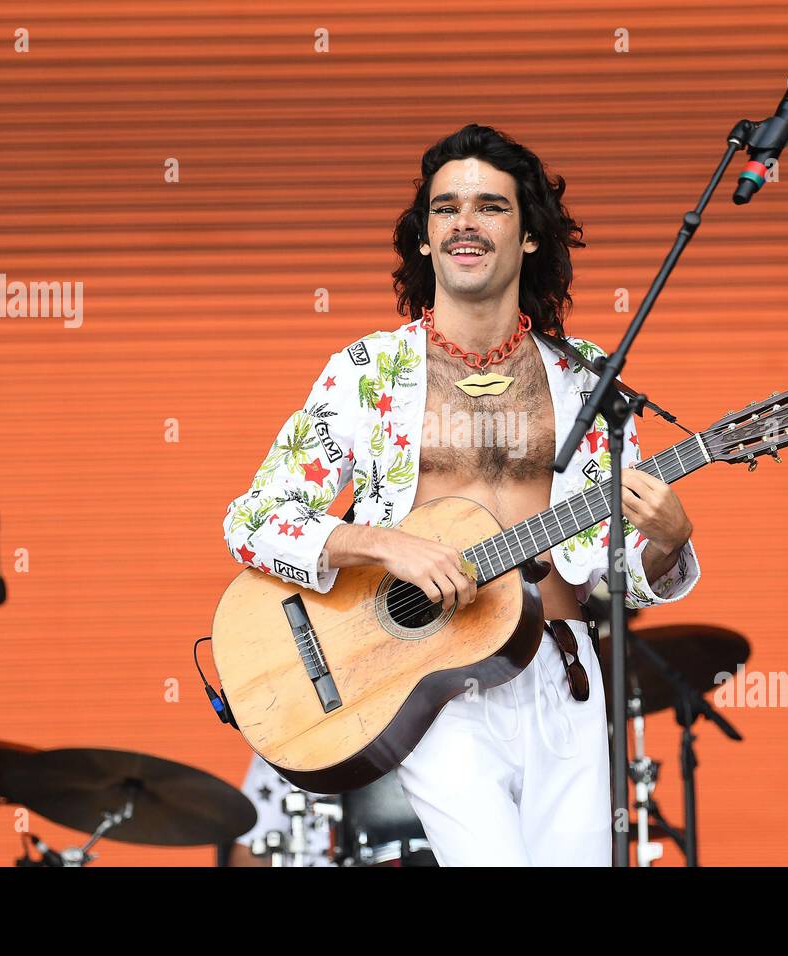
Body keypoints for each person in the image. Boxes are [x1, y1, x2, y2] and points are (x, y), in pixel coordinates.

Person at [223, 123, 701, 866]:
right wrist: (384, 543)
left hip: (563, 673)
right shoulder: (367, 372)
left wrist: (666, 540)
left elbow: (615, 570)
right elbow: (253, 521)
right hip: (428, 680)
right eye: (445, 209)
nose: (465, 224)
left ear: (531, 236)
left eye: (490, 207)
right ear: (423, 238)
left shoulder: (587, 379)